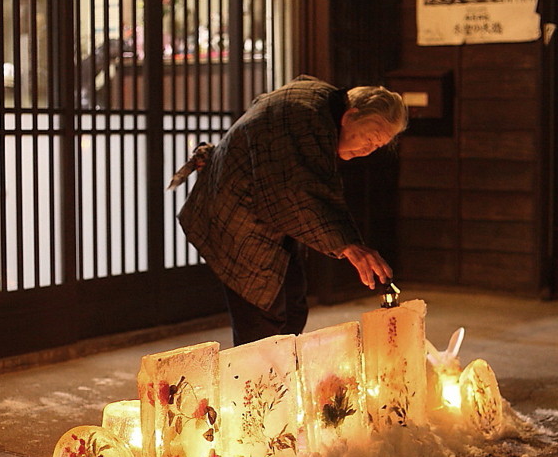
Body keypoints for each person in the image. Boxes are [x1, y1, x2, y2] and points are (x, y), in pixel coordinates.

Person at [173, 75, 408, 346]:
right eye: (369, 138)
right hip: (236, 215)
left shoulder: (322, 112)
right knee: (264, 318)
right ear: (350, 115)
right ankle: (258, 385)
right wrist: (348, 246)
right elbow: (291, 192)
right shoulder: (303, 116)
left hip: (263, 215)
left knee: (293, 306)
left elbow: (318, 191)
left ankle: (281, 378)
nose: (367, 150)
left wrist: (350, 243)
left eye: (377, 147)